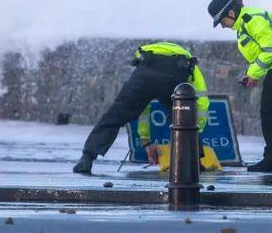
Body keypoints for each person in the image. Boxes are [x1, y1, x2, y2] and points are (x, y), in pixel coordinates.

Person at [207, 0, 272, 173]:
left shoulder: (251, 20)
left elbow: (270, 49)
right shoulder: (245, 25)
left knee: (271, 113)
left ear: (231, 13)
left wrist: (254, 74)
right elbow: (261, 53)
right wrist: (251, 74)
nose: (222, 25)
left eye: (222, 20)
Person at [73, 42, 210, 174]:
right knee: (183, 117)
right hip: (176, 72)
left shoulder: (149, 58)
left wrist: (146, 141)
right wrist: (196, 128)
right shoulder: (191, 66)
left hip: (145, 70)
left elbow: (142, 107)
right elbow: (202, 103)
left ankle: (87, 158)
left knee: (115, 115)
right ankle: (193, 163)